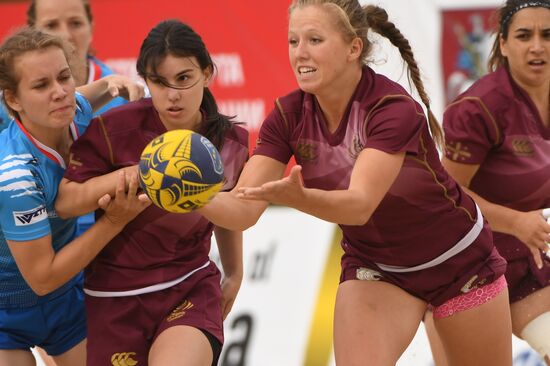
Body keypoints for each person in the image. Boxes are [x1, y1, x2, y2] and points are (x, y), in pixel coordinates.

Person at [197, 1, 515, 365]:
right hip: (377, 268)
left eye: (315, 40)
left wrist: (299, 198)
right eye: (293, 41)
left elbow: (360, 205)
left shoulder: (392, 108)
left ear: (354, 48)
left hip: (458, 262)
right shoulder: (288, 116)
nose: (300, 53)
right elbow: (242, 209)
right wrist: (186, 195)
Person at [56, 19, 249, 366]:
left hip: (189, 286)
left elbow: (232, 211)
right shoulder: (113, 129)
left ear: (207, 74)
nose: (172, 94)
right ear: (145, 81)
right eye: (159, 82)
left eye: (184, 79)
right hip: (112, 297)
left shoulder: (231, 141)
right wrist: (136, 174)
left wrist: (234, 271)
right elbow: (67, 202)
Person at [0, 27, 149, 366]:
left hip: (65, 301)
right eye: (41, 85)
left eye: (64, 76)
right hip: (6, 311)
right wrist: (113, 221)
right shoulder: (15, 177)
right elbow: (42, 278)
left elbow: (86, 95)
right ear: (13, 99)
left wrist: (111, 84)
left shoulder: (73, 112)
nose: (59, 93)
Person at [425, 1, 550, 364]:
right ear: (505, 44)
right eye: (524, 35)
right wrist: (516, 221)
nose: (537, 46)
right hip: (459, 263)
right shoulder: (482, 107)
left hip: (520, 256)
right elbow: (444, 196)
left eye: (547, 35)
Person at [27, 0, 136, 238]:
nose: (66, 35)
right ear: (31, 31)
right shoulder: (12, 101)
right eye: (51, 25)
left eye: (76, 23)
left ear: (91, 26)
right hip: (33, 236)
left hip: (109, 236)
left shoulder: (125, 96)